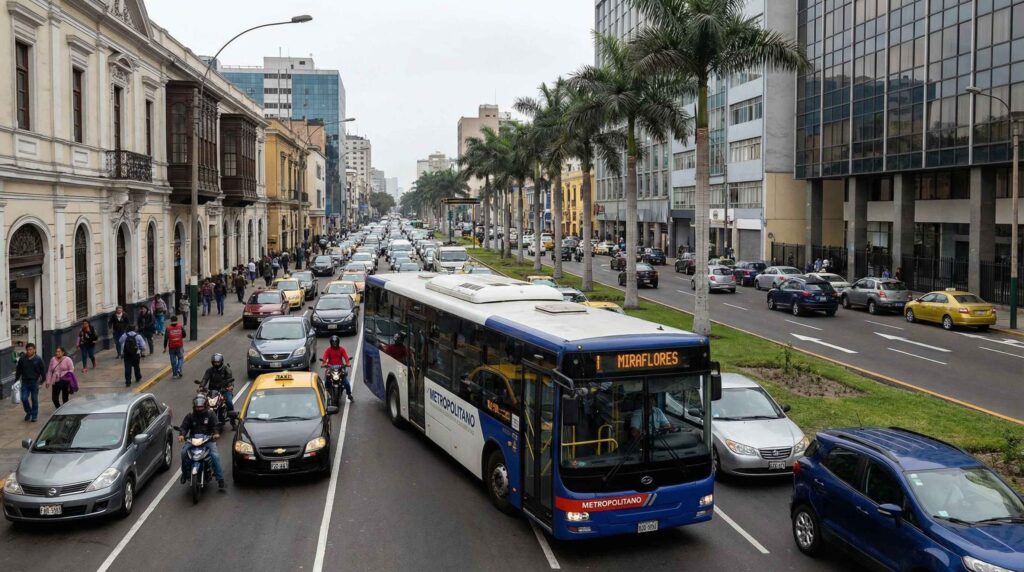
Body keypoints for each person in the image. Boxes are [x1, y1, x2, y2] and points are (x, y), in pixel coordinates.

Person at [177, 395, 225, 489]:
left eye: (201, 407)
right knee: (183, 453)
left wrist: (216, 433)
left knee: (215, 455)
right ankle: (185, 473)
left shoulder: (211, 414)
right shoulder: (190, 416)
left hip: (208, 440)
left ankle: (220, 479)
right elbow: (184, 427)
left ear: (205, 405)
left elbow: (215, 425)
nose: (199, 408)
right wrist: (182, 435)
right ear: (194, 406)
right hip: (193, 440)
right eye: (197, 407)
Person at [14, 343, 45, 422]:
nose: (29, 351)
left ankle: (34, 415)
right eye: (28, 350)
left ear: (34, 350)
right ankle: (29, 412)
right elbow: (18, 370)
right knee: (24, 398)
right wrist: (16, 380)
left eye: (31, 349)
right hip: (25, 382)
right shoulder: (22, 359)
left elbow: (43, 371)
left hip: (34, 382)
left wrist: (42, 381)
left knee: (34, 399)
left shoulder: (38, 359)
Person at [320, 335, 353, 401]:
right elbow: (324, 357)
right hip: (330, 368)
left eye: (336, 343)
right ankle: (325, 395)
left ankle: (349, 395)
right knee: (325, 382)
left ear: (338, 343)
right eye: (333, 343)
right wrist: (324, 363)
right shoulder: (328, 350)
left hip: (340, 368)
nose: (334, 344)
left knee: (346, 383)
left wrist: (348, 363)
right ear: (331, 343)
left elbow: (346, 357)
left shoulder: (342, 349)